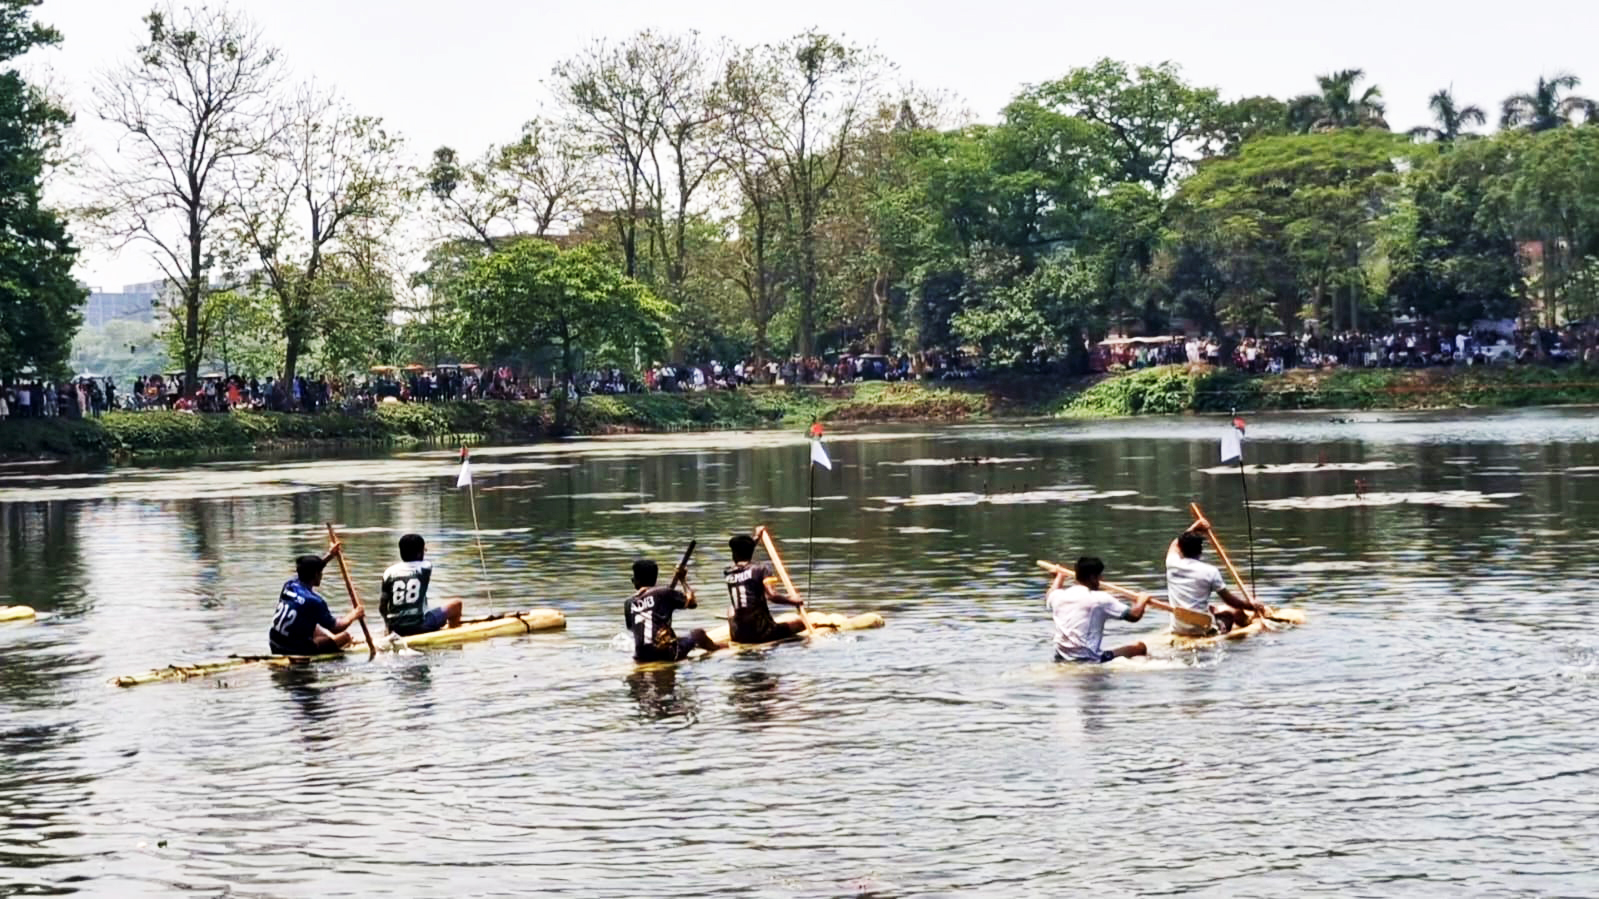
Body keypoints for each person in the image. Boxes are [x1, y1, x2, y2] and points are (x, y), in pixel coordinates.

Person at [1165, 518, 1263, 634]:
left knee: (1213, 608)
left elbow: (1175, 544)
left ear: (1181, 549)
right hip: (1202, 628)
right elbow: (1230, 601)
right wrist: (1251, 606)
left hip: (1178, 627)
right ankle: (1226, 628)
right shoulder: (1210, 571)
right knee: (1232, 613)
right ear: (1200, 550)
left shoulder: (1171, 564)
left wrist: (1195, 527)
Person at [1046, 557, 1150, 663]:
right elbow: (1134, 615)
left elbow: (1052, 592)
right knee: (1140, 648)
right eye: (1100, 576)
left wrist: (1059, 576)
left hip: (1061, 655)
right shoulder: (1099, 599)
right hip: (1090, 658)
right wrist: (1142, 600)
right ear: (1093, 577)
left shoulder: (1058, 596)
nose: (1101, 580)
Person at [268, 549, 365, 655]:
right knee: (344, 636)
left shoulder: (289, 585)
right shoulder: (314, 601)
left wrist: (330, 555)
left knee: (312, 623)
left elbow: (308, 569)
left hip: (274, 643)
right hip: (294, 650)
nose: (322, 575)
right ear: (315, 574)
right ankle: (341, 641)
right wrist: (354, 614)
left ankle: (331, 640)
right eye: (320, 572)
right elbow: (336, 628)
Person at [625, 559, 721, 663]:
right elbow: (692, 603)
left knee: (669, 638)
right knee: (698, 634)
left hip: (640, 656)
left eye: (633, 578)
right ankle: (719, 650)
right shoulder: (664, 592)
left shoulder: (628, 603)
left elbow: (632, 628)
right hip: (665, 654)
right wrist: (682, 579)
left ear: (637, 581)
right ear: (654, 578)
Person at [723, 533, 808, 644]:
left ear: (734, 554)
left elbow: (742, 555)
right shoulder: (761, 569)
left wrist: (756, 538)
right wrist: (793, 600)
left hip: (738, 635)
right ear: (751, 552)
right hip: (763, 633)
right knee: (799, 624)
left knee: (731, 609)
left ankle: (738, 632)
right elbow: (772, 596)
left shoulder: (728, 572)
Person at [379, 534, 462, 636]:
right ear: (419, 553)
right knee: (457, 604)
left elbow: (382, 607)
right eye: (424, 550)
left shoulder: (388, 572)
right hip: (420, 626)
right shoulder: (426, 567)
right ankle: (453, 635)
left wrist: (388, 626)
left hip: (396, 629)